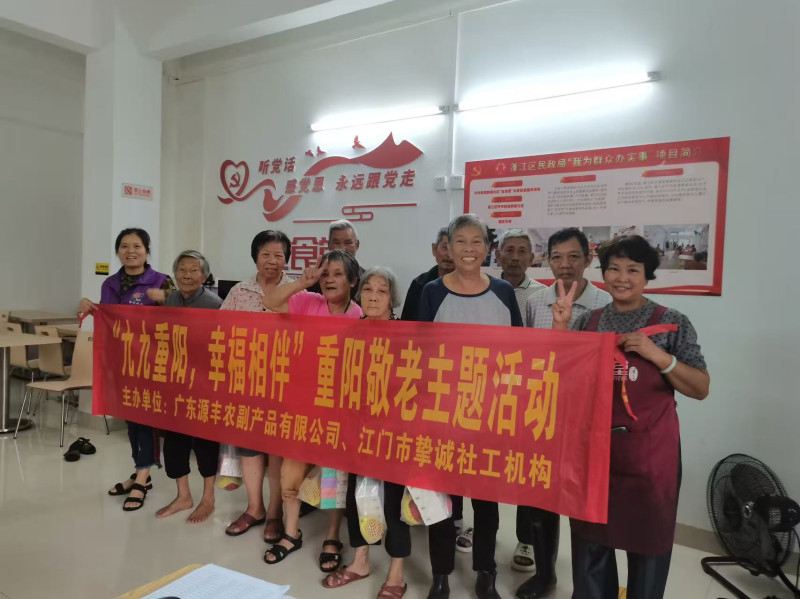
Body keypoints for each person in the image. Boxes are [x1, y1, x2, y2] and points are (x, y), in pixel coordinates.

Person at [552, 235, 709, 599]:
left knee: (648, 548)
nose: (622, 278)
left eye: (632, 270)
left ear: (647, 275)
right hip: (594, 455)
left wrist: (658, 356)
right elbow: (562, 380)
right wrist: (560, 328)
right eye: (614, 269)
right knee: (590, 545)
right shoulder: (588, 322)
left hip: (649, 459)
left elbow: (700, 387)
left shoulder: (672, 322)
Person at [420, 214, 522, 599]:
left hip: (490, 415)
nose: (468, 249)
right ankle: (441, 574)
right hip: (442, 414)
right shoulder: (432, 292)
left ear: (487, 248)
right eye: (460, 241)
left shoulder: (503, 292)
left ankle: (486, 571)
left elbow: (520, 353)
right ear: (447, 247)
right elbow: (416, 351)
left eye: (476, 241)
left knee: (486, 502)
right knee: (443, 501)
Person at [515, 228, 610, 598]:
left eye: (573, 257)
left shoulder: (605, 304)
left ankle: (586, 585)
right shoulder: (535, 302)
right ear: (547, 260)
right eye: (557, 257)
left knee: (582, 502)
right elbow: (522, 356)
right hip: (542, 415)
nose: (565, 264)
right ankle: (545, 575)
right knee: (542, 499)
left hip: (586, 418)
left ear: (588, 259)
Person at [262, 249, 362, 568]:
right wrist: (302, 283)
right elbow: (270, 301)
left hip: (336, 409)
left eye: (337, 274)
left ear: (353, 281)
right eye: (325, 273)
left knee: (332, 474)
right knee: (291, 471)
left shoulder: (359, 316)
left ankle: (332, 534)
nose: (329, 280)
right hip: (300, 403)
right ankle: (291, 533)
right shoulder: (307, 301)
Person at [321, 267, 409, 599]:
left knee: (393, 503)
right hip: (357, 430)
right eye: (368, 289)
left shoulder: (406, 335)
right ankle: (360, 562)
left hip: (394, 433)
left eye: (382, 291)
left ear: (392, 299)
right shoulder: (350, 333)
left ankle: (396, 574)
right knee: (357, 496)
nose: (373, 296)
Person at [78, 227, 175, 512]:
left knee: (144, 419)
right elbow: (109, 321)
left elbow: (180, 317)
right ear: (118, 251)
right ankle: (140, 471)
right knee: (131, 420)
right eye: (124, 246)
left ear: (147, 250)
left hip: (149, 363)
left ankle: (142, 477)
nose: (130, 251)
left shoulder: (161, 282)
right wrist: (88, 306)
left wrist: (166, 298)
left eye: (137, 246)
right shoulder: (110, 283)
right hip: (120, 363)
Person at [222, 231, 295, 543]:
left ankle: (276, 514)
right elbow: (218, 330)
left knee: (277, 452)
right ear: (255, 257)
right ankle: (255, 508)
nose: (272, 261)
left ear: (287, 259)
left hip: (284, 385)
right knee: (250, 449)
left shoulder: (297, 291)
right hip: (246, 382)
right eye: (266, 254)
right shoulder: (239, 292)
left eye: (279, 255)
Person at [156, 250, 222, 524]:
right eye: (182, 270)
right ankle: (183, 495)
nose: (187, 275)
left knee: (205, 441)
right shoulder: (171, 299)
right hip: (176, 383)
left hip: (204, 385)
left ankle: (208, 498)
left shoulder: (214, 304)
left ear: (204, 276)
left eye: (194, 270)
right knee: (174, 440)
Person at [400, 227, 454, 321]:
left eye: (453, 249)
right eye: (444, 248)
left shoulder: (469, 286)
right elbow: (406, 323)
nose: (448, 254)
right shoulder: (419, 284)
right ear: (434, 249)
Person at [495, 229, 545, 322]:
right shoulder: (488, 289)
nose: (515, 258)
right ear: (498, 256)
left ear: (531, 259)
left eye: (522, 251)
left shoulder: (543, 293)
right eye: (510, 250)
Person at [308, 219, 365, 298]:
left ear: (357, 244)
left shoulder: (366, 279)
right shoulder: (317, 278)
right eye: (337, 243)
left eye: (348, 242)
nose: (342, 248)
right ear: (329, 245)